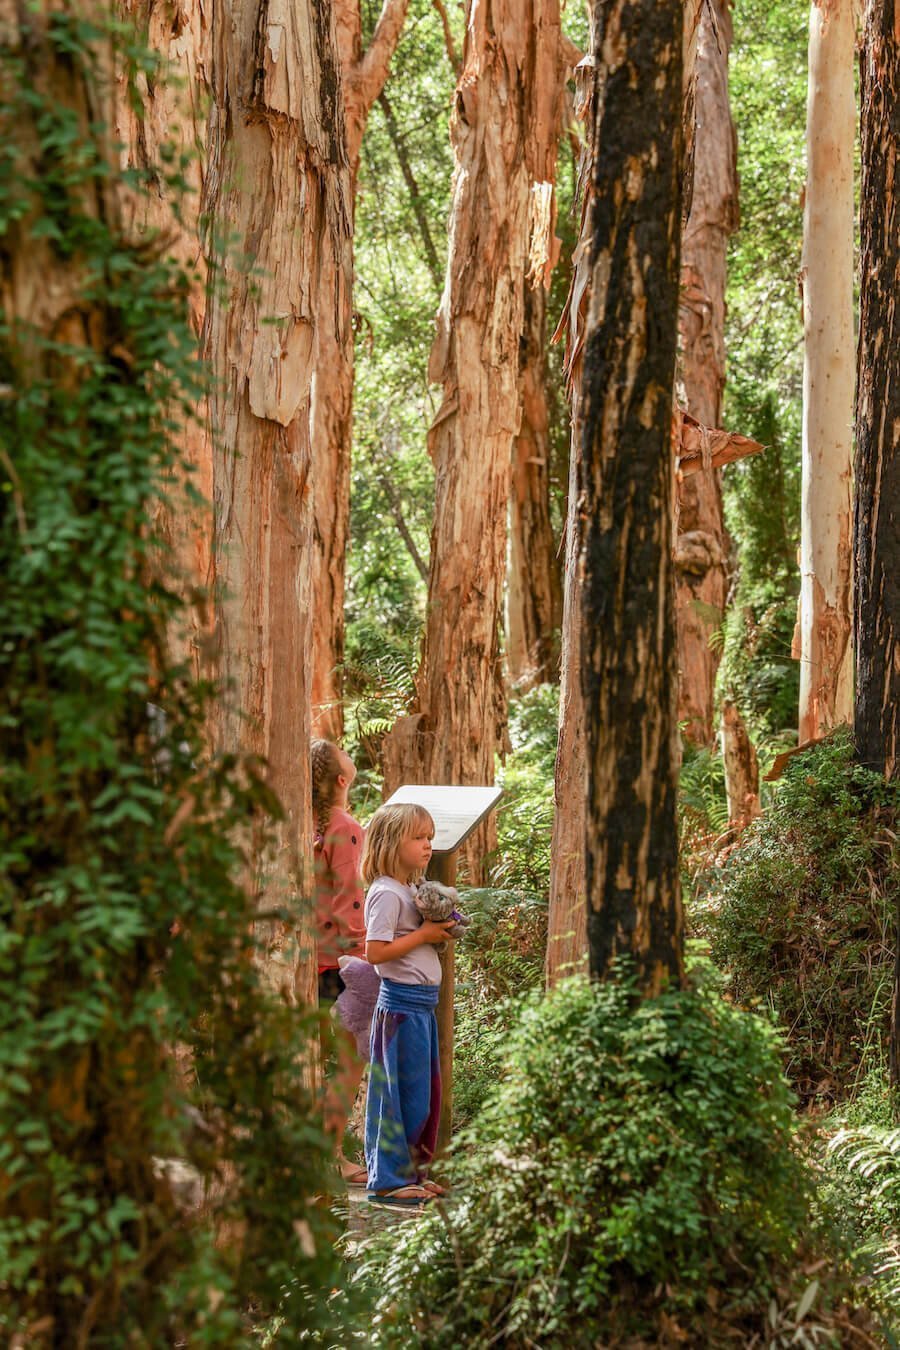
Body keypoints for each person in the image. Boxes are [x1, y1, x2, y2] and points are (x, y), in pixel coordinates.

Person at [362, 803, 456, 1208]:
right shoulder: (384, 893)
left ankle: (412, 1173)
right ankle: (386, 1180)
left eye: (430, 837)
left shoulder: (408, 890)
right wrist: (424, 935)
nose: (428, 846)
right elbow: (375, 952)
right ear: (389, 842)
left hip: (421, 1008)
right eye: (418, 837)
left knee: (421, 1096)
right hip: (400, 1008)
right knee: (395, 1097)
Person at [311, 738, 368, 1186]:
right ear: (342, 780)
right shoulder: (343, 826)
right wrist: (366, 952)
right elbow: (349, 901)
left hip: (299, 960)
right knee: (348, 1061)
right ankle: (330, 1156)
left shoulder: (301, 821)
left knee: (307, 1057)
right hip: (335, 964)